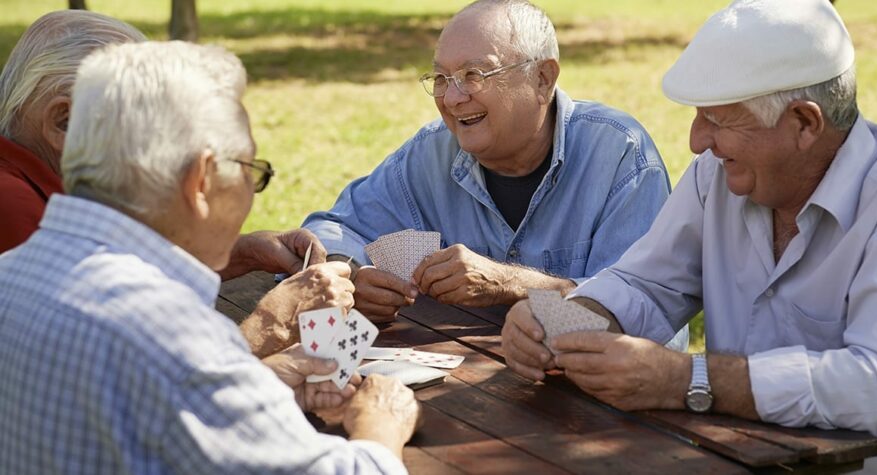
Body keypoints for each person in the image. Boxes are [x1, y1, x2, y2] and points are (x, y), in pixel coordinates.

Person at [501, 0, 877, 472]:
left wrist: (689, 379)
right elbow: (647, 283)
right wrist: (564, 321)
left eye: (719, 120)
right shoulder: (716, 175)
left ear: (804, 123)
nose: (696, 140)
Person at [0, 41, 418, 473]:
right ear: (200, 180)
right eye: (250, 172)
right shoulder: (171, 332)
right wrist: (380, 424)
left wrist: (258, 386)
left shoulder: (12, 272)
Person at [303, 0, 686, 346]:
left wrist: (511, 285)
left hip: (587, 407)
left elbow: (642, 320)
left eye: (474, 74)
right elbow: (332, 229)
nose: (452, 99)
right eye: (440, 79)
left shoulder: (619, 154)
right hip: (464, 394)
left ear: (543, 79)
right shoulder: (432, 153)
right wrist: (352, 275)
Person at [0, 10, 326, 284]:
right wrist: (273, 324)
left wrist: (240, 252)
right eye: (142, 117)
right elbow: (117, 332)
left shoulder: (46, 187)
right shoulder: (14, 206)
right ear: (63, 122)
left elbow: (126, 270)